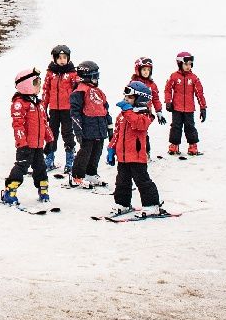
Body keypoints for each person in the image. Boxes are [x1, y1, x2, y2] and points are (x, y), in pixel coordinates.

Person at [108, 80, 167, 217]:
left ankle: (152, 205)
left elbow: (139, 125)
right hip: (122, 156)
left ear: (140, 99)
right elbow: (116, 134)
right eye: (125, 97)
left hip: (137, 156)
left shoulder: (145, 115)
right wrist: (111, 148)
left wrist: (127, 112)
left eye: (130, 97)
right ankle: (122, 204)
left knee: (142, 181)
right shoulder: (122, 116)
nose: (126, 100)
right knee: (122, 182)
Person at [1, 67, 53, 206]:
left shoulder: (38, 103)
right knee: (21, 168)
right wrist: (22, 143)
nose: (39, 86)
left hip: (38, 146)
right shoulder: (19, 103)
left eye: (39, 82)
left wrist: (49, 139)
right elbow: (18, 125)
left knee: (41, 168)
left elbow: (44, 122)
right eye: (36, 83)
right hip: (26, 145)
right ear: (26, 85)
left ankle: (43, 189)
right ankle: (10, 190)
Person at [71, 59, 111, 189]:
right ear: (86, 77)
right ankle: (76, 176)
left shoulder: (99, 91)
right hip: (87, 128)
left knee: (97, 151)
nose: (96, 79)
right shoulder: (79, 91)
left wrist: (109, 128)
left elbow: (106, 109)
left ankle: (91, 173)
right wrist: (78, 130)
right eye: (94, 76)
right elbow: (75, 112)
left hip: (100, 127)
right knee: (85, 152)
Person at [41, 44, 78, 175]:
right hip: (54, 110)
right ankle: (49, 159)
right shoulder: (50, 73)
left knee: (67, 134)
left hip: (67, 110)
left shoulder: (73, 74)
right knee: (51, 134)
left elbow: (77, 92)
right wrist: (43, 107)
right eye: (59, 58)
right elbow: (46, 91)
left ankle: (70, 162)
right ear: (54, 59)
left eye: (64, 57)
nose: (62, 60)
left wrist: (76, 108)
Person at [164, 51, 207, 158]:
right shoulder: (174, 77)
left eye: (190, 64)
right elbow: (168, 90)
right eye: (186, 64)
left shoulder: (194, 78)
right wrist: (168, 101)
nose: (188, 66)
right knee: (175, 127)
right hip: (176, 108)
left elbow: (199, 93)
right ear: (180, 64)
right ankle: (174, 145)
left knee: (190, 127)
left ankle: (193, 146)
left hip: (189, 109)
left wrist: (203, 108)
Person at [126, 57, 165, 126]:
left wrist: (159, 111)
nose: (146, 72)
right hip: (134, 112)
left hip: (146, 113)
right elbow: (127, 97)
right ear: (138, 70)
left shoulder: (152, 85)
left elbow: (155, 99)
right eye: (144, 69)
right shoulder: (134, 83)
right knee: (133, 131)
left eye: (148, 70)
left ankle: (144, 136)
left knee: (143, 130)